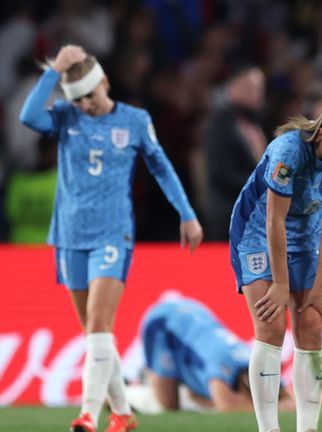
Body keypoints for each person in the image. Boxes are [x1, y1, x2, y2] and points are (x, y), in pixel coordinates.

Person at [19, 44, 203, 432]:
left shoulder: (135, 121)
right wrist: (54, 70)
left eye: (90, 94)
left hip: (112, 234)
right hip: (70, 235)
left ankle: (88, 414)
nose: (85, 104)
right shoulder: (66, 116)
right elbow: (28, 115)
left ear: (104, 82)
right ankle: (121, 413)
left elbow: (162, 168)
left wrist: (186, 214)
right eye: (78, 98)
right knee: (92, 333)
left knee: (100, 322)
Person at [229, 91, 322, 432]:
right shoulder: (288, 151)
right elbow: (274, 220)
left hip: (307, 238)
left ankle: (308, 429)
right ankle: (268, 428)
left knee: (312, 328)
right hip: (256, 234)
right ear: (321, 135)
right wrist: (279, 284)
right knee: (271, 326)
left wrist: (321, 285)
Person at [128, 295, 294, 414]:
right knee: (169, 405)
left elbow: (292, 402)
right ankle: (129, 392)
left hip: (193, 315)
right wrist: (273, 410)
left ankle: (161, 383)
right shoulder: (222, 367)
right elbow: (229, 409)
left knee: (200, 397)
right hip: (163, 322)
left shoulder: (263, 366)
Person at [203, 66, 268, 241]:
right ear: (231, 89)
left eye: (259, 87)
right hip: (229, 213)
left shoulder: (252, 123)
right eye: (249, 88)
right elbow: (221, 173)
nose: (256, 93)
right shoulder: (221, 124)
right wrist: (263, 185)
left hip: (254, 213)